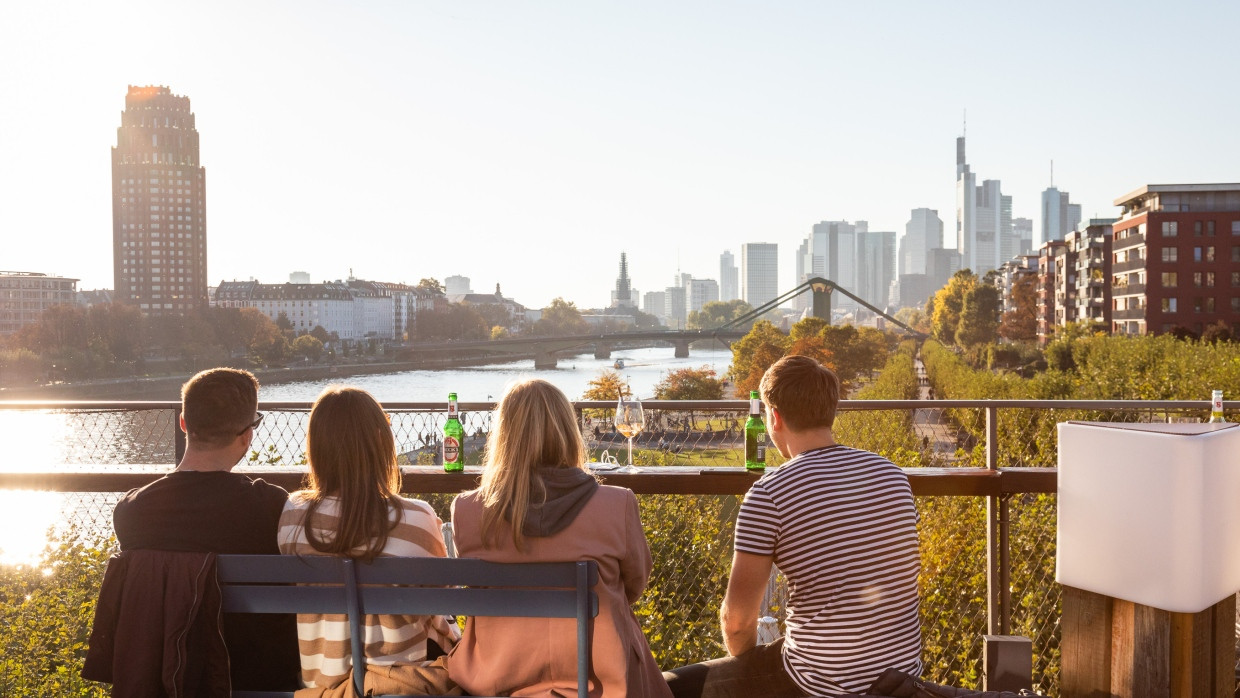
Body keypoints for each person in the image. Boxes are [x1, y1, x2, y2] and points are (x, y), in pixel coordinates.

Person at [665, 356, 922, 698]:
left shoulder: (771, 493)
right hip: (903, 677)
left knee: (665, 687)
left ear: (774, 416)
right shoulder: (890, 474)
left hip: (819, 684)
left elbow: (737, 623)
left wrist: (748, 667)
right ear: (831, 411)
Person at [448, 378, 673, 698]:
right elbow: (633, 586)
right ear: (568, 432)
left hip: (500, 679)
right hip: (602, 683)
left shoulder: (467, 512)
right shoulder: (616, 505)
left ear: (503, 438)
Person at [102, 367, 300, 691]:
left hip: (170, 679)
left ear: (183, 423)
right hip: (261, 678)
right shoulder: (272, 506)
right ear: (247, 434)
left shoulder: (131, 512)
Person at [278, 386, 460, 692]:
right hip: (396, 687)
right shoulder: (417, 518)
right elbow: (442, 607)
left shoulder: (293, 516)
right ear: (380, 442)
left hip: (321, 689)